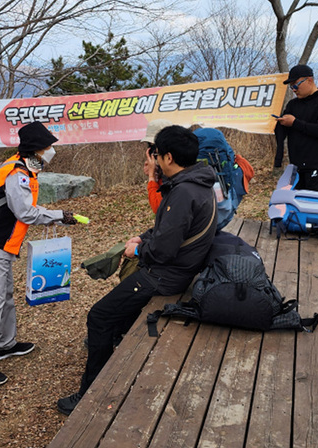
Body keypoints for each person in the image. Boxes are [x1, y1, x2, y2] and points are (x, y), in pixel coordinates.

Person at [57, 125, 218, 415]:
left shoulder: (183, 192)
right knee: (116, 316)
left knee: (99, 316)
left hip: (164, 278)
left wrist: (140, 250)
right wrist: (143, 237)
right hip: (177, 270)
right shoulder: (195, 183)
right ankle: (113, 348)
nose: (153, 160)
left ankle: (90, 394)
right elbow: (168, 229)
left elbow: (165, 249)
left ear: (168, 157)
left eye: (155, 155)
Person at [0, 121, 79, 387]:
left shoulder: (22, 165)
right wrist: (59, 216)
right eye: (48, 146)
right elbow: (25, 212)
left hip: (1, 246)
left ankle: (5, 344)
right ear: (36, 149)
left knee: (4, 298)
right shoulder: (18, 173)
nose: (51, 151)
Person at [273, 64, 318, 193]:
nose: (293, 89)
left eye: (296, 84)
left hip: (317, 166)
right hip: (296, 168)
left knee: (314, 206)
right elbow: (282, 131)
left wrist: (294, 123)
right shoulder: (292, 105)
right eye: (291, 86)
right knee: (297, 207)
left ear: (309, 80)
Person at [141, 118, 174, 213]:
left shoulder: (173, 170)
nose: (153, 152)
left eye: (154, 147)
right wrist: (157, 173)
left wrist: (152, 177)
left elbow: (158, 207)